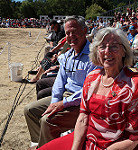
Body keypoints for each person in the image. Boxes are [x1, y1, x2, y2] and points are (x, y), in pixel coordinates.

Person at [37, 27, 138, 150]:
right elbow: (83, 118)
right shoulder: (92, 78)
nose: (107, 51)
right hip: (87, 138)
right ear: (96, 51)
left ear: (124, 51)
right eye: (102, 47)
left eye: (114, 46)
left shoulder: (136, 83)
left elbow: (134, 137)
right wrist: (75, 148)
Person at [24, 15, 99, 150]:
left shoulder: (94, 56)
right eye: (67, 33)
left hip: (83, 103)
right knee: (29, 110)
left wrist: (62, 103)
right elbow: (60, 82)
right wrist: (55, 102)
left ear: (84, 31)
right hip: (66, 96)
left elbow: (89, 91)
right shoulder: (69, 55)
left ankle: (46, 146)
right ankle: (42, 144)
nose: (71, 36)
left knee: (47, 121)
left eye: (74, 31)